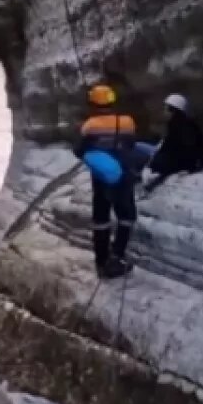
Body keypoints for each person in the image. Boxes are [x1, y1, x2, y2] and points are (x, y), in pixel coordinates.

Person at [73, 84, 137, 279]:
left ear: (93, 104)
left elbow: (79, 150)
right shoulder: (127, 122)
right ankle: (118, 254)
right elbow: (131, 145)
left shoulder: (90, 125)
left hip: (101, 180)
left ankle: (102, 262)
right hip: (124, 177)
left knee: (101, 219)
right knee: (126, 215)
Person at [141, 93, 203, 194]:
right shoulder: (189, 124)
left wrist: (151, 167)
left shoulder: (177, 127)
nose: (164, 111)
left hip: (181, 163)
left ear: (174, 111)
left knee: (138, 148)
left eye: (167, 109)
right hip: (186, 162)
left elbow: (168, 149)